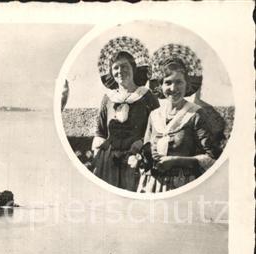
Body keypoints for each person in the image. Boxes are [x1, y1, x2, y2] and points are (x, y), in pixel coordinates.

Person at [135, 43, 220, 193]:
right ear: (160, 86)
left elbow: (211, 159)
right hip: (153, 185)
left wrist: (176, 161)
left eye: (179, 82)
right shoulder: (155, 115)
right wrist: (142, 158)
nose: (173, 89)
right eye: (168, 82)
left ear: (187, 85)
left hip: (183, 185)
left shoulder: (195, 114)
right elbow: (146, 150)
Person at [91, 36, 159, 191]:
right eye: (116, 67)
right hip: (109, 162)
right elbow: (100, 131)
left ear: (133, 68)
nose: (120, 71)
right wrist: (97, 158)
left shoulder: (147, 96)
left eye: (124, 66)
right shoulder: (108, 99)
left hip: (137, 162)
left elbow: (158, 130)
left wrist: (141, 144)